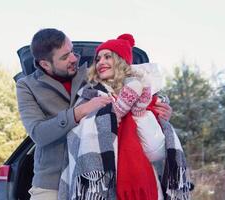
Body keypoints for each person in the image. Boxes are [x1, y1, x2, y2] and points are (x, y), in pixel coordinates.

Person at [17, 28, 172, 200]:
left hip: (97, 176)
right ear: (45, 64)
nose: (74, 59)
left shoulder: (92, 73)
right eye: (64, 57)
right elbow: (38, 134)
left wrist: (160, 104)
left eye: (72, 52)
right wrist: (81, 110)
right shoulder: (27, 86)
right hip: (51, 180)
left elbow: (128, 83)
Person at [59, 34, 191, 200]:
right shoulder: (88, 97)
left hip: (144, 188)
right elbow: (76, 140)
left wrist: (139, 113)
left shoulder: (149, 99)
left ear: (121, 61)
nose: (101, 62)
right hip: (101, 188)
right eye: (98, 59)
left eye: (108, 57)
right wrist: (113, 116)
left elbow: (155, 153)